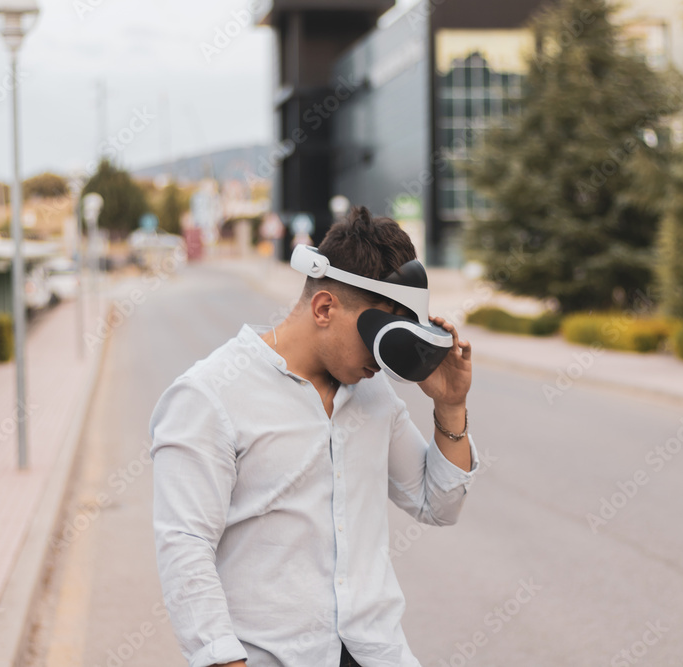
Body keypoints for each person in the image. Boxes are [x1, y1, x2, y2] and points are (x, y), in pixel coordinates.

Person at [148, 206, 481, 667]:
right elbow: (185, 546)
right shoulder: (209, 395)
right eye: (377, 338)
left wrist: (449, 404)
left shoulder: (374, 395)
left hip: (378, 653)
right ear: (325, 307)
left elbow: (438, 505)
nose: (382, 362)